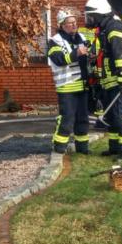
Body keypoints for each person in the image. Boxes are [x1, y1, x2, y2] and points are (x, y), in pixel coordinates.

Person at [84, 0, 122, 158]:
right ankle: (115, 147)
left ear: (99, 14)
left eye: (91, 15)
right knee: (112, 116)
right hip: (111, 81)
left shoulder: (114, 27)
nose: (89, 19)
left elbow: (121, 52)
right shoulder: (105, 28)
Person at [46, 8, 91, 154]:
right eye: (70, 23)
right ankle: (59, 147)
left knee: (83, 119)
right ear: (62, 25)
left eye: (75, 22)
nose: (74, 25)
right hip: (66, 87)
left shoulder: (82, 37)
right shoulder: (55, 41)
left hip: (82, 86)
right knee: (67, 119)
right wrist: (76, 53)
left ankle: (83, 148)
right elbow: (58, 60)